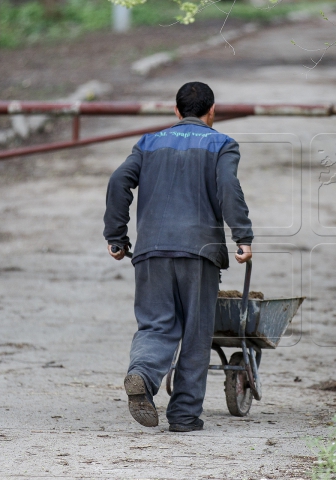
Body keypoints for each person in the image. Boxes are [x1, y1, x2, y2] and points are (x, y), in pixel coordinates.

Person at [103, 81, 253, 433]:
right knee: (197, 332)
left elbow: (118, 181)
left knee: (156, 324)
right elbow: (228, 188)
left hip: (152, 250)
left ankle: (141, 373)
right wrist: (243, 236)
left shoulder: (148, 142)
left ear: (176, 112)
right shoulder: (222, 144)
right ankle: (184, 415)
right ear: (212, 111)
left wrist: (116, 236)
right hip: (199, 252)